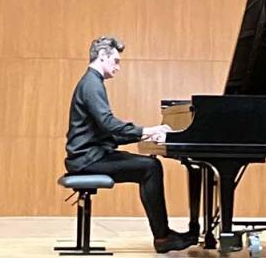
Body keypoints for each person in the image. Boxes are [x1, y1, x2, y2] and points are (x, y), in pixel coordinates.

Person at [66, 35, 196, 253]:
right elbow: (108, 124)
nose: (118, 67)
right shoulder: (91, 84)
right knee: (150, 168)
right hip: (87, 160)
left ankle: (163, 234)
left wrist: (143, 134)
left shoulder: (91, 83)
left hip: (90, 156)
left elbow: (106, 132)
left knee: (149, 167)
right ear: (102, 56)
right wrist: (148, 130)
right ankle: (163, 237)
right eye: (116, 61)